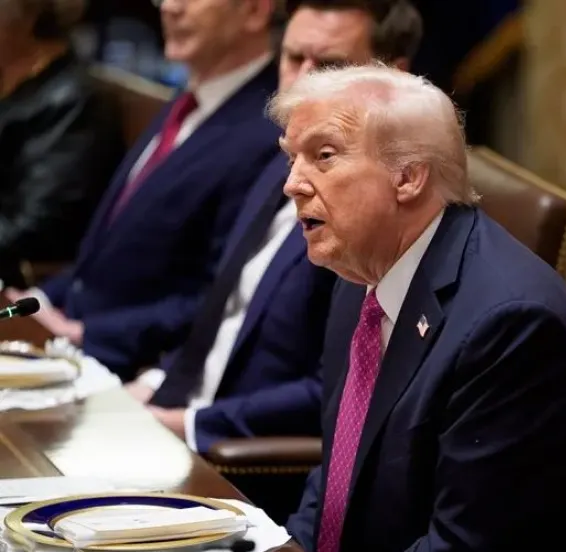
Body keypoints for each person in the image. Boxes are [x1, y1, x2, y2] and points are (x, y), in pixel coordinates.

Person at [275, 65, 566, 552]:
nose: (293, 183)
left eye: (323, 157)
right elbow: (340, 467)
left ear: (409, 177)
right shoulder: (360, 274)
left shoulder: (513, 326)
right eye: (292, 158)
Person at [124, 0, 424, 453]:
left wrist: (187, 423)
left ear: (394, 78)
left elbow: (341, 391)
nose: (302, 82)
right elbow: (221, 309)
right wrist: (158, 382)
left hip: (243, 460)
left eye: (330, 66)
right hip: (178, 413)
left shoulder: (386, 212)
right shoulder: (278, 160)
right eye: (293, 58)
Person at [5, 0, 281, 380]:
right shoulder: (189, 101)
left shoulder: (270, 131)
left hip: (137, 369)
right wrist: (41, 301)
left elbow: (225, 295)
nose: (169, 7)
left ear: (254, 10)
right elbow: (107, 250)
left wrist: (87, 332)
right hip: (66, 337)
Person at [0, 0, 123, 289]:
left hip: (24, 282)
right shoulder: (6, 74)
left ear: (27, 15)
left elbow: (33, 229)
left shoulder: (75, 100)